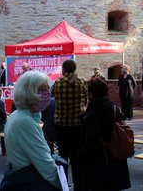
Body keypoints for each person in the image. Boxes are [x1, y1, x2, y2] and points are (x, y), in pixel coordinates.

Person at [2, 71, 62, 190]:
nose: (48, 93)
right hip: (30, 183)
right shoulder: (25, 122)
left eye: (48, 88)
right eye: (43, 89)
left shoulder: (18, 115)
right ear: (29, 92)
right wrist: (61, 185)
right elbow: (45, 164)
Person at [78, 77, 131, 191]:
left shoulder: (93, 111)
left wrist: (81, 153)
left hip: (101, 159)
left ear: (91, 93)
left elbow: (93, 137)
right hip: (115, 154)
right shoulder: (112, 106)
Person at [51, 59, 88, 189]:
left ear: (64, 69)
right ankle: (79, 186)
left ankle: (64, 184)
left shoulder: (58, 83)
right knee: (77, 157)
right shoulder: (81, 82)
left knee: (62, 157)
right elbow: (86, 100)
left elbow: (52, 97)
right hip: (78, 124)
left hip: (61, 124)